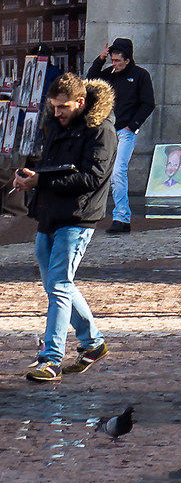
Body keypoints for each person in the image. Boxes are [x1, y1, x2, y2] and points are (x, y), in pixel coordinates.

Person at [11, 73, 114, 380]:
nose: (57, 113)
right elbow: (50, 166)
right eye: (54, 107)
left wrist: (41, 179)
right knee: (58, 284)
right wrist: (31, 175)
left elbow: (92, 178)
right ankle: (92, 342)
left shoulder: (102, 130)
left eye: (63, 107)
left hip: (78, 216)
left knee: (58, 284)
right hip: (49, 214)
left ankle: (51, 358)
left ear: (80, 102)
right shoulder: (57, 125)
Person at [83, 38, 154, 236]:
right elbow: (91, 82)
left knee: (118, 172)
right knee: (100, 171)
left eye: (117, 61)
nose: (114, 64)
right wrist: (100, 59)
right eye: (112, 60)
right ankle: (96, 213)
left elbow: (148, 103)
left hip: (126, 131)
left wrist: (133, 125)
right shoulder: (109, 74)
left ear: (128, 60)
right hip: (108, 130)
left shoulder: (141, 75)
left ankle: (122, 217)